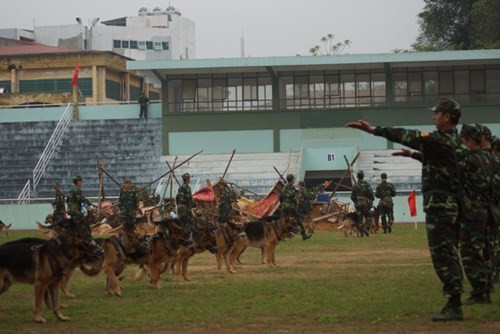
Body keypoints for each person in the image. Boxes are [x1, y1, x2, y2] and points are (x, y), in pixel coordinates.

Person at [346, 97, 468, 321]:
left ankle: (454, 303)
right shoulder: (456, 143)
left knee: (443, 254)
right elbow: (440, 161)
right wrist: (412, 155)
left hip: (441, 206)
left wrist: (374, 130)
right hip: (451, 204)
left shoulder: (439, 140)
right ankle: (455, 299)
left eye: (437, 113)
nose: (434, 117)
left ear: (447, 117)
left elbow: (409, 135)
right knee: (449, 252)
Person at [459, 124, 491, 304]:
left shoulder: (470, 160)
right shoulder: (491, 159)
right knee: (485, 250)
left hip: (473, 213)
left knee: (470, 252)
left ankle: (480, 291)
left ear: (469, 141)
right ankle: (485, 288)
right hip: (489, 212)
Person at [279, 174, 312, 241]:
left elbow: (281, 196)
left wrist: (282, 203)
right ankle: (304, 235)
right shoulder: (292, 188)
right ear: (292, 180)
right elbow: (293, 196)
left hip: (284, 206)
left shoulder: (284, 188)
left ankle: (281, 236)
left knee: (282, 221)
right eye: (293, 179)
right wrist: (296, 202)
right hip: (291, 207)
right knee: (298, 220)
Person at [350, 170, 374, 237]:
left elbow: (352, 196)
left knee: (359, 220)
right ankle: (365, 228)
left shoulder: (355, 185)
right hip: (365, 204)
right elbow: (371, 194)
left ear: (357, 177)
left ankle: (361, 234)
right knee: (369, 218)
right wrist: (370, 201)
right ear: (363, 176)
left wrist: (356, 202)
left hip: (358, 204)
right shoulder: (366, 184)